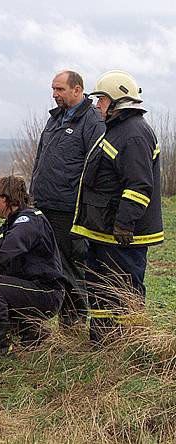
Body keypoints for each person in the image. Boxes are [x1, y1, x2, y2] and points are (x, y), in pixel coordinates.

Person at [71, 70, 163, 343]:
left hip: (121, 235)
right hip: (105, 231)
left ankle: (130, 345)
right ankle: (101, 342)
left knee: (124, 289)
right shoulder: (118, 130)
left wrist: (124, 223)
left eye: (101, 100)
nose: (97, 106)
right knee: (102, 289)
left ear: (117, 101)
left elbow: (139, 185)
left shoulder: (133, 134)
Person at [30, 70, 104, 327]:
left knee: (70, 263)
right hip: (45, 203)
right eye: (53, 89)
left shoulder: (92, 121)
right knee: (51, 261)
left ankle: (75, 320)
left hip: (68, 207)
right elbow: (41, 159)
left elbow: (96, 166)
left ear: (77, 89)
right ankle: (62, 315)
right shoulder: (56, 119)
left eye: (60, 89)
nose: (55, 94)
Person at [0, 175, 65, 356]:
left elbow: (12, 248)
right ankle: (32, 332)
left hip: (46, 292)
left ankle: (2, 350)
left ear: (5, 199)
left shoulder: (30, 220)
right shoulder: (6, 228)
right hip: (21, 290)